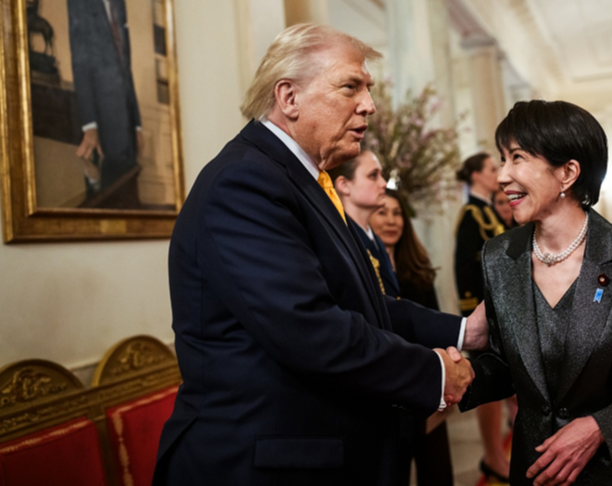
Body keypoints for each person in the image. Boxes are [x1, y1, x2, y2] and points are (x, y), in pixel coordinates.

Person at [153, 24, 488, 486]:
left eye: (367, 89)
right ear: (288, 97)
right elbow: (309, 328)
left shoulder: (301, 180)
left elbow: (362, 305)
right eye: (351, 86)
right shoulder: (245, 183)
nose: (369, 104)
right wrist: (432, 372)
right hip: (260, 466)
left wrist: (466, 329)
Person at [460, 100, 612, 486]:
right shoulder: (499, 256)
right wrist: (456, 376)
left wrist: (601, 428)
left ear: (568, 172)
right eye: (501, 159)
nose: (502, 175)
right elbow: (506, 364)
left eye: (517, 158)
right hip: (534, 472)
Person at [371, 189, 455, 486]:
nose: (392, 221)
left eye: (397, 214)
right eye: (383, 212)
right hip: (388, 389)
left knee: (438, 470)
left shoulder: (418, 267)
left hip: (426, 386)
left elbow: (436, 321)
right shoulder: (363, 270)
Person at [454, 153, 511, 483]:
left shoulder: (488, 208)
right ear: (476, 175)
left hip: (498, 312)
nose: (498, 174)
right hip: (482, 315)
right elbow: (465, 268)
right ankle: (492, 454)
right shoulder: (471, 213)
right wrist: (468, 314)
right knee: (486, 383)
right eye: (492, 169)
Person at [67, 0, 143, 203]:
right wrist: (90, 124)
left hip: (127, 121)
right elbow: (79, 63)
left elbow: (126, 68)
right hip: (103, 118)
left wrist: (136, 124)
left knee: (128, 194)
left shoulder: (118, 3)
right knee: (109, 198)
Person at [328, 150, 400, 297]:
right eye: (373, 175)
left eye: (381, 175)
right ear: (344, 185)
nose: (383, 184)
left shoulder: (374, 238)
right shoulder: (341, 240)